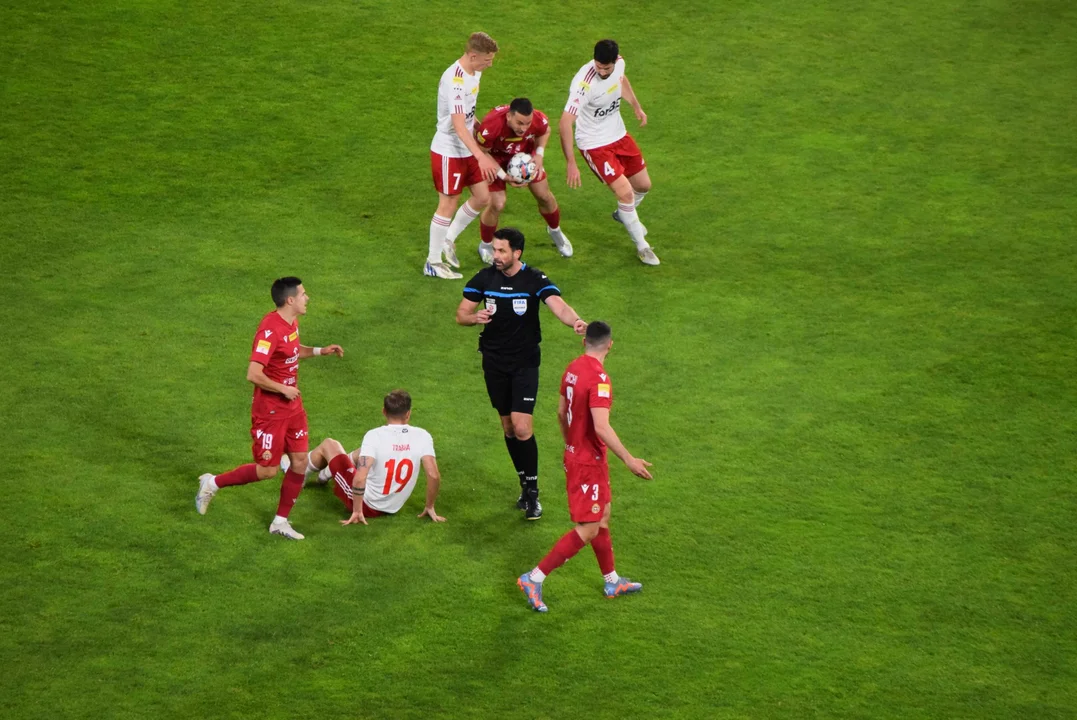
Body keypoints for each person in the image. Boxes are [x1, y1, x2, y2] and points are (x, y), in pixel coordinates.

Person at [517, 321, 653, 612]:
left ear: (584, 342)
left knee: (603, 515)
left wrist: (571, 443)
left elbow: (560, 412)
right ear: (610, 345)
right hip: (587, 462)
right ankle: (534, 578)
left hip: (581, 455)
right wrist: (629, 459)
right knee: (589, 528)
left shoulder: (573, 368)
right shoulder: (599, 380)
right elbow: (601, 427)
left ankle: (612, 581)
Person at [195, 277, 344, 540]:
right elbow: (253, 373)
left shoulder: (292, 322)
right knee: (267, 471)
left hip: (293, 407)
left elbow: (292, 351)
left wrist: (320, 351)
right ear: (290, 300)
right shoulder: (269, 330)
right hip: (270, 411)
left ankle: (280, 522)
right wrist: (283, 389)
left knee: (300, 461)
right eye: (303, 294)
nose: (307, 298)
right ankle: (212, 483)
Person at [456, 227, 588, 520]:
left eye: (501, 251)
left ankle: (533, 493)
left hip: (524, 363)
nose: (496, 255)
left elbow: (558, 305)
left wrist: (576, 322)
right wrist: (473, 318)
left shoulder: (534, 279)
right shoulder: (484, 278)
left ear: (517, 253)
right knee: (507, 427)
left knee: (522, 427)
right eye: (494, 249)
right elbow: (461, 314)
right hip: (493, 362)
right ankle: (524, 485)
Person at [559, 39, 659, 266]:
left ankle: (624, 214)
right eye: (599, 66)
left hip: (619, 135)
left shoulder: (620, 64)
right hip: (594, 144)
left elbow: (621, 80)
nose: (602, 72)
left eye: (607, 68)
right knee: (626, 194)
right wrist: (571, 162)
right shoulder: (583, 85)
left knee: (643, 185)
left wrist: (636, 105)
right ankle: (642, 247)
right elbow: (565, 123)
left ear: (615, 61)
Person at [282, 390, 445, 524]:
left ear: (384, 412)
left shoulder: (375, 435)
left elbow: (360, 478)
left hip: (368, 505)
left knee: (329, 445)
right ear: (408, 414)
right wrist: (429, 506)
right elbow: (433, 474)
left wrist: (357, 510)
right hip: (394, 505)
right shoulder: (422, 436)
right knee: (364, 452)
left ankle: (300, 473)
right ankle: (326, 474)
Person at [425, 32, 502, 280]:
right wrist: (481, 156)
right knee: (448, 203)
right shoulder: (455, 81)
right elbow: (458, 126)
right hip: (449, 149)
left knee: (482, 196)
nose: (490, 65)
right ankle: (432, 262)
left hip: (467, 146)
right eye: (487, 60)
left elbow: (468, 115)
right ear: (473, 56)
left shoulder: (475, 73)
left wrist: (481, 129)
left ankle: (448, 238)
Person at [472, 98, 573, 263]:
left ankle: (555, 231)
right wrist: (503, 176)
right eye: (519, 123)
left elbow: (545, 131)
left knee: (544, 196)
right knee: (497, 204)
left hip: (525, 158)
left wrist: (539, 154)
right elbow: (481, 151)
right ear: (509, 117)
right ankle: (485, 245)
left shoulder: (538, 119)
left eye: (527, 124)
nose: (524, 128)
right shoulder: (491, 125)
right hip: (495, 159)